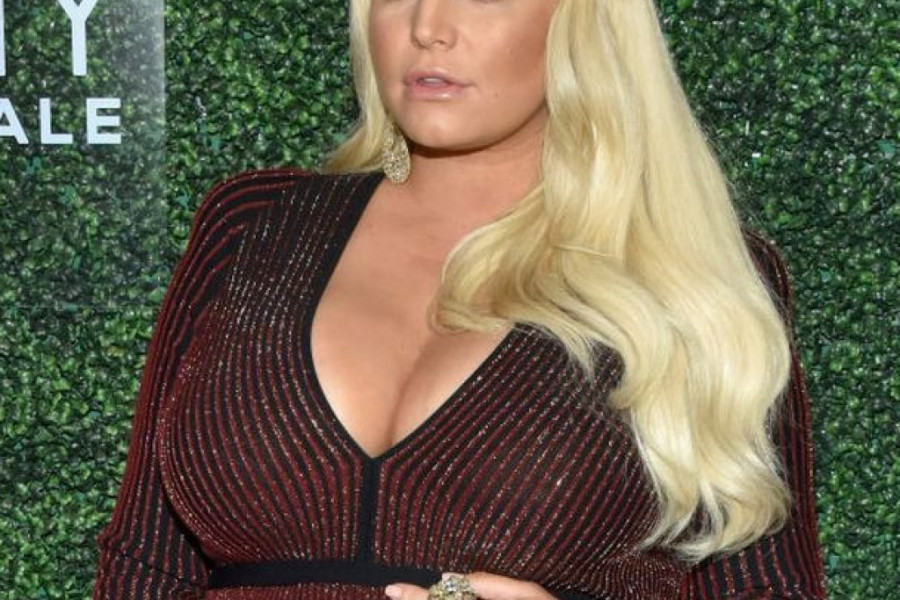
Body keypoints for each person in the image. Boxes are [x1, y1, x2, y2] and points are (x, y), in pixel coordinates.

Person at [91, 0, 827, 598]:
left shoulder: (694, 275)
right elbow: (145, 567)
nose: (427, 25)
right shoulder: (255, 226)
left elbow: (768, 587)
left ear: (584, 20)